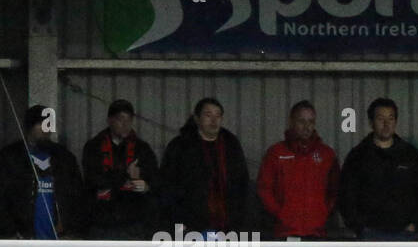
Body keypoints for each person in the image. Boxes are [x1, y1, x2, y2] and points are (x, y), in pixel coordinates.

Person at [339, 98, 418, 239]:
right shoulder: (358, 156)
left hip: (404, 235)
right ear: (371, 122)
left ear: (396, 122)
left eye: (391, 118)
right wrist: (359, 227)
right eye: (380, 119)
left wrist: (415, 225)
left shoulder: (410, 155)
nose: (386, 124)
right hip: (369, 235)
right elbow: (346, 195)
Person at [158, 98, 249, 234]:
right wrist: (178, 222)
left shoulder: (231, 145)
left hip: (228, 226)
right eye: (208, 115)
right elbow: (168, 186)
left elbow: (242, 183)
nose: (214, 120)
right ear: (196, 118)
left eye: (218, 116)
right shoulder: (180, 146)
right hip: (190, 227)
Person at [257, 100, 340, 239]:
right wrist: (281, 214)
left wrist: (323, 213)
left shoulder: (327, 155)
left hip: (317, 233)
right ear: (291, 122)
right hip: (285, 233)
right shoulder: (276, 153)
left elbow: (335, 190)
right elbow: (264, 189)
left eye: (311, 122)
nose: (307, 127)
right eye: (301, 121)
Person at [0, 104, 85, 239]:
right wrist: (10, 232)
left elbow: (78, 198)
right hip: (21, 241)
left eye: (50, 125)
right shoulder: (9, 157)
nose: (47, 129)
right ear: (29, 127)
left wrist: (72, 232)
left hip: (59, 241)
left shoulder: (65, 158)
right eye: (42, 124)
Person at [81, 99, 159, 239]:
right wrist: (125, 175)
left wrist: (146, 186)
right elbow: (93, 180)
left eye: (129, 120)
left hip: (134, 222)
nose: (125, 125)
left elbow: (155, 180)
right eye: (120, 119)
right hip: (102, 222)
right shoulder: (94, 147)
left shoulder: (142, 149)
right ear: (110, 120)